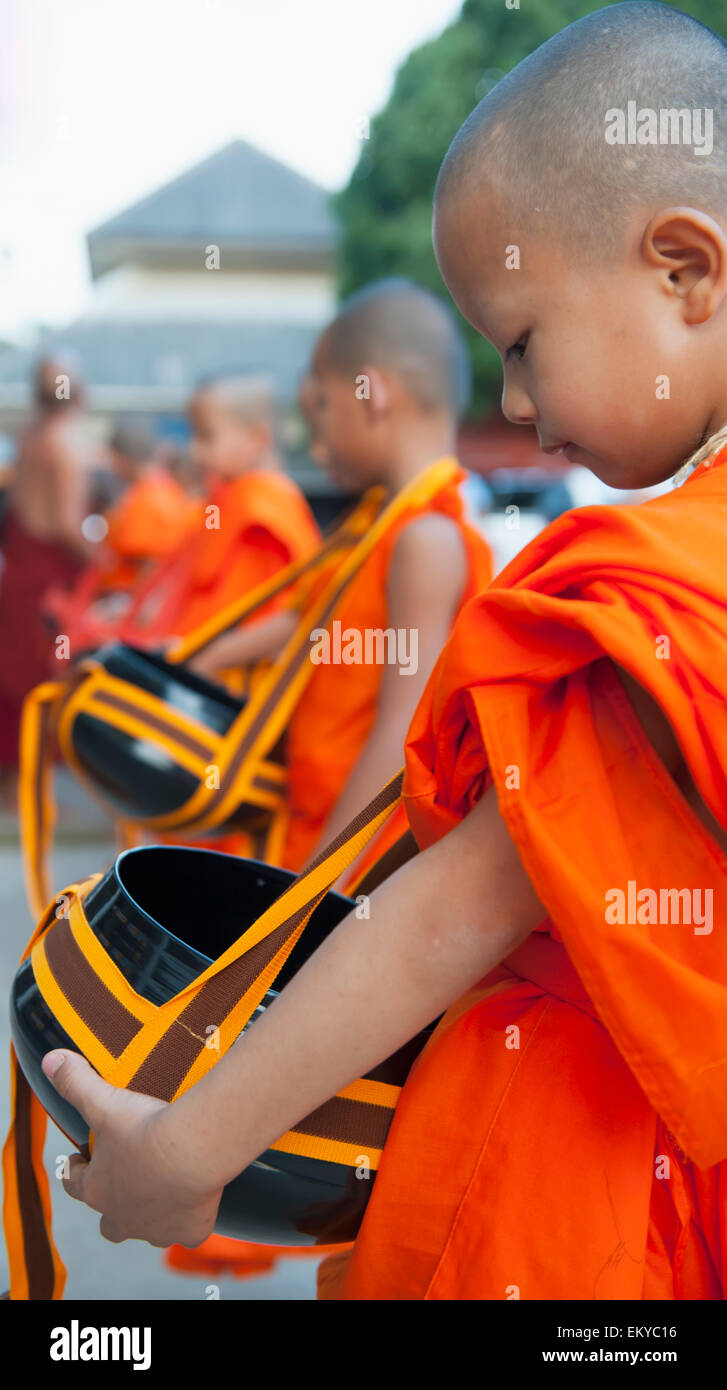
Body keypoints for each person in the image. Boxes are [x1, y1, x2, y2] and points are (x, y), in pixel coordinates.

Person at [35, 1, 727, 1300]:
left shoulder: (660, 583)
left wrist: (186, 1148)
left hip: (572, 1193)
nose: (511, 404)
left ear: (683, 270)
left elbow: (457, 907)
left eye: (519, 342)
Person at [190, 281, 493, 874]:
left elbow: (398, 746)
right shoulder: (374, 527)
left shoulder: (427, 539)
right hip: (312, 825)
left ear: (371, 394)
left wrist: (313, 892)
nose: (315, 436)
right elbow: (308, 621)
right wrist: (191, 664)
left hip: (356, 860)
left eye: (321, 407)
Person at [112, 375, 320, 645]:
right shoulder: (224, 498)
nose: (194, 450)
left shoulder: (264, 508)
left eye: (206, 436)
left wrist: (198, 659)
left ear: (256, 439)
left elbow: (286, 620)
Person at [0, 355, 92, 773]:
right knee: (44, 676)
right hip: (49, 579)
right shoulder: (67, 443)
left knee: (13, 675)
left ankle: (17, 784)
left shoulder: (28, 437)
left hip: (19, 571)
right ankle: (41, 787)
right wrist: (110, 562)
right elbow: (67, 526)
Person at [47, 420, 199, 652]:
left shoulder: (149, 500)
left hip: (128, 610)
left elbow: (153, 569)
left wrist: (124, 610)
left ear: (119, 459)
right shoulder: (164, 490)